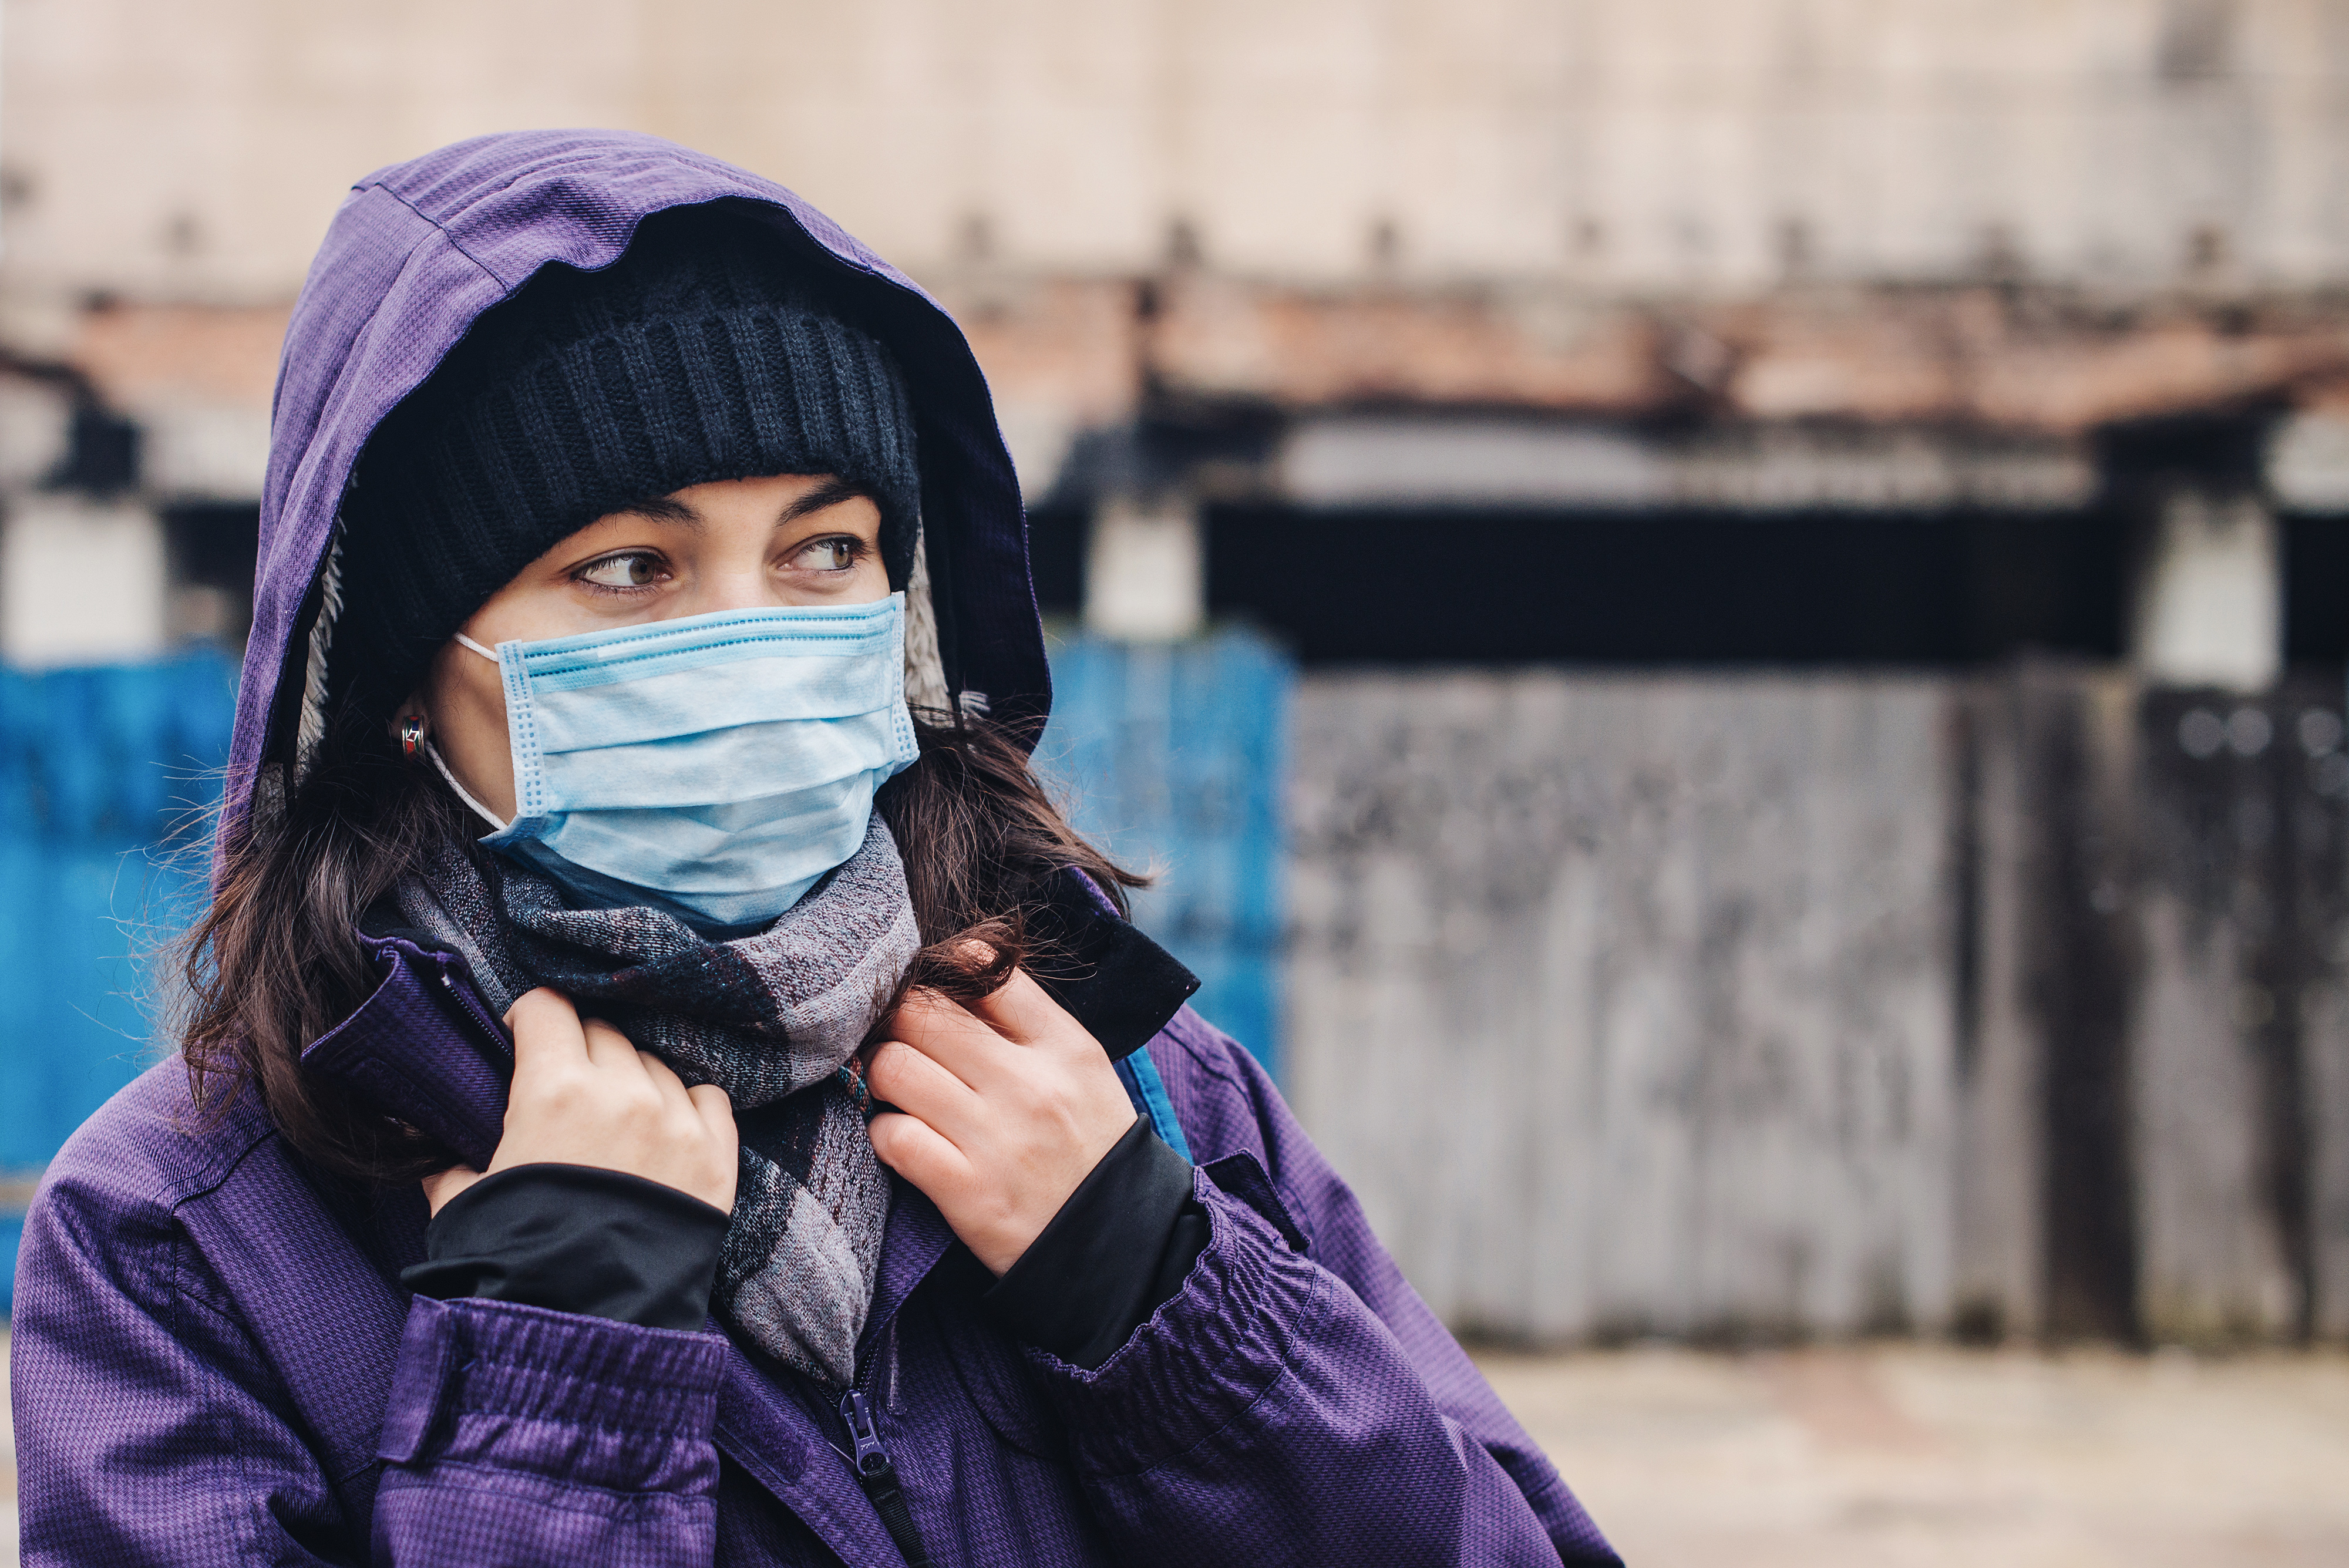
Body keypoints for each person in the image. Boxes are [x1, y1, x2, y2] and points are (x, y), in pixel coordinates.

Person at [10, 130, 1620, 1567]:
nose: (752, 637)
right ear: (407, 685)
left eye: (826, 549)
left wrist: (1168, 1310)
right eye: (629, 567)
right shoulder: (187, 1244)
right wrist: (559, 1386)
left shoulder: (1124, 1084)